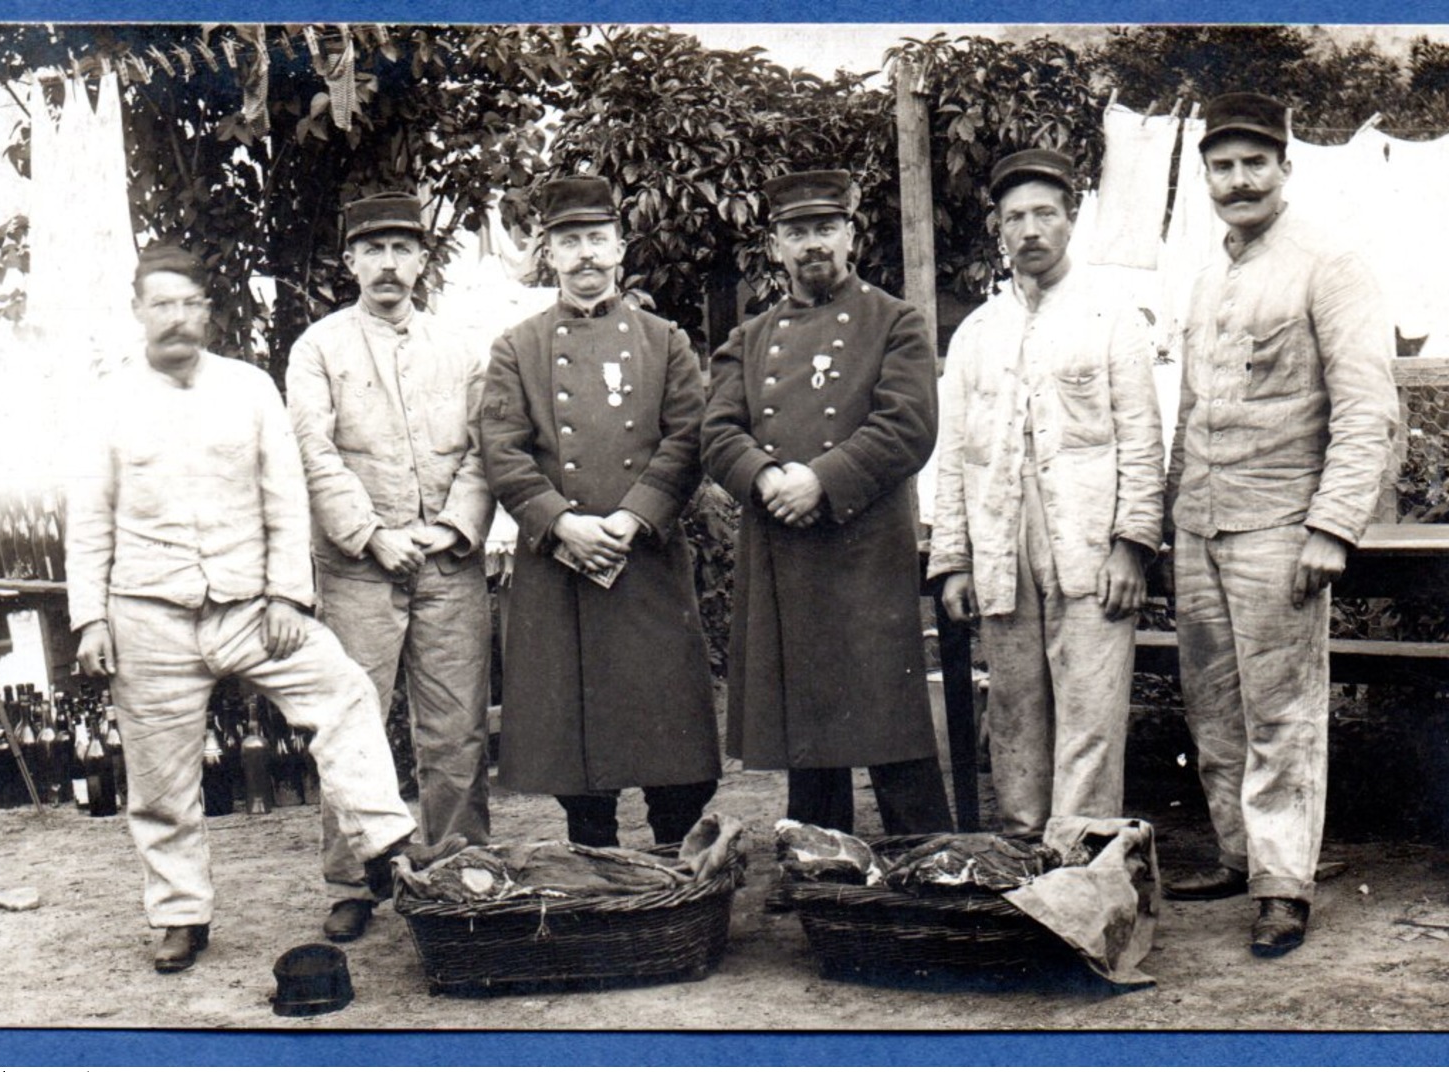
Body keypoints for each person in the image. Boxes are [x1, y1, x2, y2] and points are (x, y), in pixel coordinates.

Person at [67, 244, 453, 974]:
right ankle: (181, 916)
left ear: (208, 313)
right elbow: (88, 516)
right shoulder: (108, 401)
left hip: (251, 607)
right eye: (161, 304)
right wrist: (90, 618)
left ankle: (382, 845)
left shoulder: (248, 389)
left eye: (189, 304)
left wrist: (285, 594)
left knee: (343, 692)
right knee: (159, 783)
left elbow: (285, 496)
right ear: (137, 313)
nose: (176, 318)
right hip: (147, 614)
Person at [1162, 93, 1398, 956]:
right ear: (1206, 179)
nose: (1237, 180)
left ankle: (1282, 885)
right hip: (1201, 526)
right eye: (1220, 167)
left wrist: (1332, 526)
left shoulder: (1327, 265)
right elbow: (1189, 411)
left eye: (1252, 163)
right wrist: (1169, 515)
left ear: (1283, 168)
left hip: (1280, 521)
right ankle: (1237, 855)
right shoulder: (1206, 275)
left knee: (1281, 710)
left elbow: (1367, 406)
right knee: (1212, 706)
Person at [702, 169, 953, 836]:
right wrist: (763, 477)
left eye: (823, 229)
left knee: (887, 714)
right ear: (776, 246)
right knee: (806, 722)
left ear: (850, 235)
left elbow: (907, 426)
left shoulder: (895, 322)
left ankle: (927, 858)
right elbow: (717, 432)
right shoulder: (750, 339)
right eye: (795, 232)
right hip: (784, 548)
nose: (811, 244)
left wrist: (820, 480)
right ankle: (817, 862)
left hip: (865, 551)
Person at [481, 175, 720, 848]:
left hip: (642, 556)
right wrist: (560, 522)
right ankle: (596, 854)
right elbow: (501, 448)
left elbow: (686, 437)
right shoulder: (516, 347)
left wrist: (633, 516)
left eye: (596, 239)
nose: (584, 255)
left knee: (665, 720)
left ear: (620, 248)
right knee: (574, 738)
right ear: (547, 254)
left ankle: (673, 848)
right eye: (568, 242)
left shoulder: (662, 339)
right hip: (560, 562)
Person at [929, 149, 1164, 837]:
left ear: (1070, 219)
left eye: (1043, 214)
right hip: (1001, 542)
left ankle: (1080, 860)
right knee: (1013, 705)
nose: (1029, 230)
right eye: (1013, 218)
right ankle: (1024, 845)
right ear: (997, 231)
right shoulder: (976, 332)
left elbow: (1143, 442)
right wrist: (955, 561)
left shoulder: (1113, 317)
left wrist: (1130, 547)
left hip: (1088, 544)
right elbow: (955, 458)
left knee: (1090, 707)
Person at [285, 192, 496, 943]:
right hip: (356, 569)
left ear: (421, 261)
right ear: (349, 263)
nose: (387, 264)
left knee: (455, 726)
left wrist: (452, 528)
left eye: (402, 249)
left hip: (447, 563)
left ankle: (461, 868)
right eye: (371, 250)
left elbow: (485, 449)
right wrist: (371, 534)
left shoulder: (462, 348)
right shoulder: (318, 348)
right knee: (351, 723)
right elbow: (313, 453)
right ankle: (353, 881)